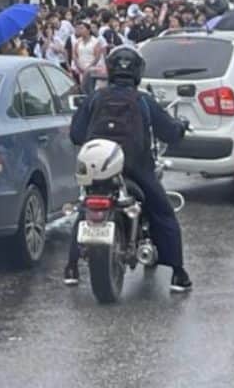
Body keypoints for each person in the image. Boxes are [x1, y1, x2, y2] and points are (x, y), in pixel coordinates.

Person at [64, 46, 192, 292]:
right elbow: (169, 132)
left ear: (110, 70)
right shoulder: (143, 100)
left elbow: (76, 134)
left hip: (98, 169)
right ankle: (178, 273)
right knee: (163, 212)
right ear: (138, 72)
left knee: (85, 208)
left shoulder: (95, 98)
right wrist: (181, 127)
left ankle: (71, 267)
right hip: (136, 168)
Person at [70, 20, 104, 95]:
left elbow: (97, 57)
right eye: (79, 28)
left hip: (92, 70)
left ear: (88, 30)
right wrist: (79, 66)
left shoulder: (95, 42)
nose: (80, 30)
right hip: (81, 69)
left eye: (82, 28)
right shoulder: (78, 42)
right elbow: (75, 55)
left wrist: (88, 68)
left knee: (92, 89)